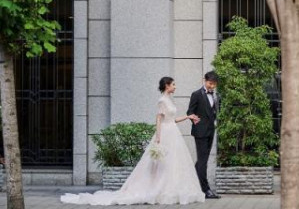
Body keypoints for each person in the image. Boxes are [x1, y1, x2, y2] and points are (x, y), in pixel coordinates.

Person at [60, 77, 205, 206]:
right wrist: (158, 137)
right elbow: (159, 119)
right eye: (173, 84)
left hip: (173, 132)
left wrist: (188, 117)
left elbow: (172, 119)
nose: (175, 87)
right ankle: (160, 190)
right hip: (166, 133)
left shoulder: (169, 100)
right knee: (163, 163)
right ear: (167, 85)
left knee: (173, 162)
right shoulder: (162, 101)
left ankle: (171, 190)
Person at [187, 71, 221, 200]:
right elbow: (190, 111)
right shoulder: (196, 94)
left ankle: (192, 184)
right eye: (210, 83)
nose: (212, 86)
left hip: (211, 131)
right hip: (200, 132)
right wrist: (195, 120)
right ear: (204, 80)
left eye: (214, 84)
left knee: (202, 160)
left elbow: (214, 112)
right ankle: (205, 189)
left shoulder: (215, 95)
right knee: (203, 161)